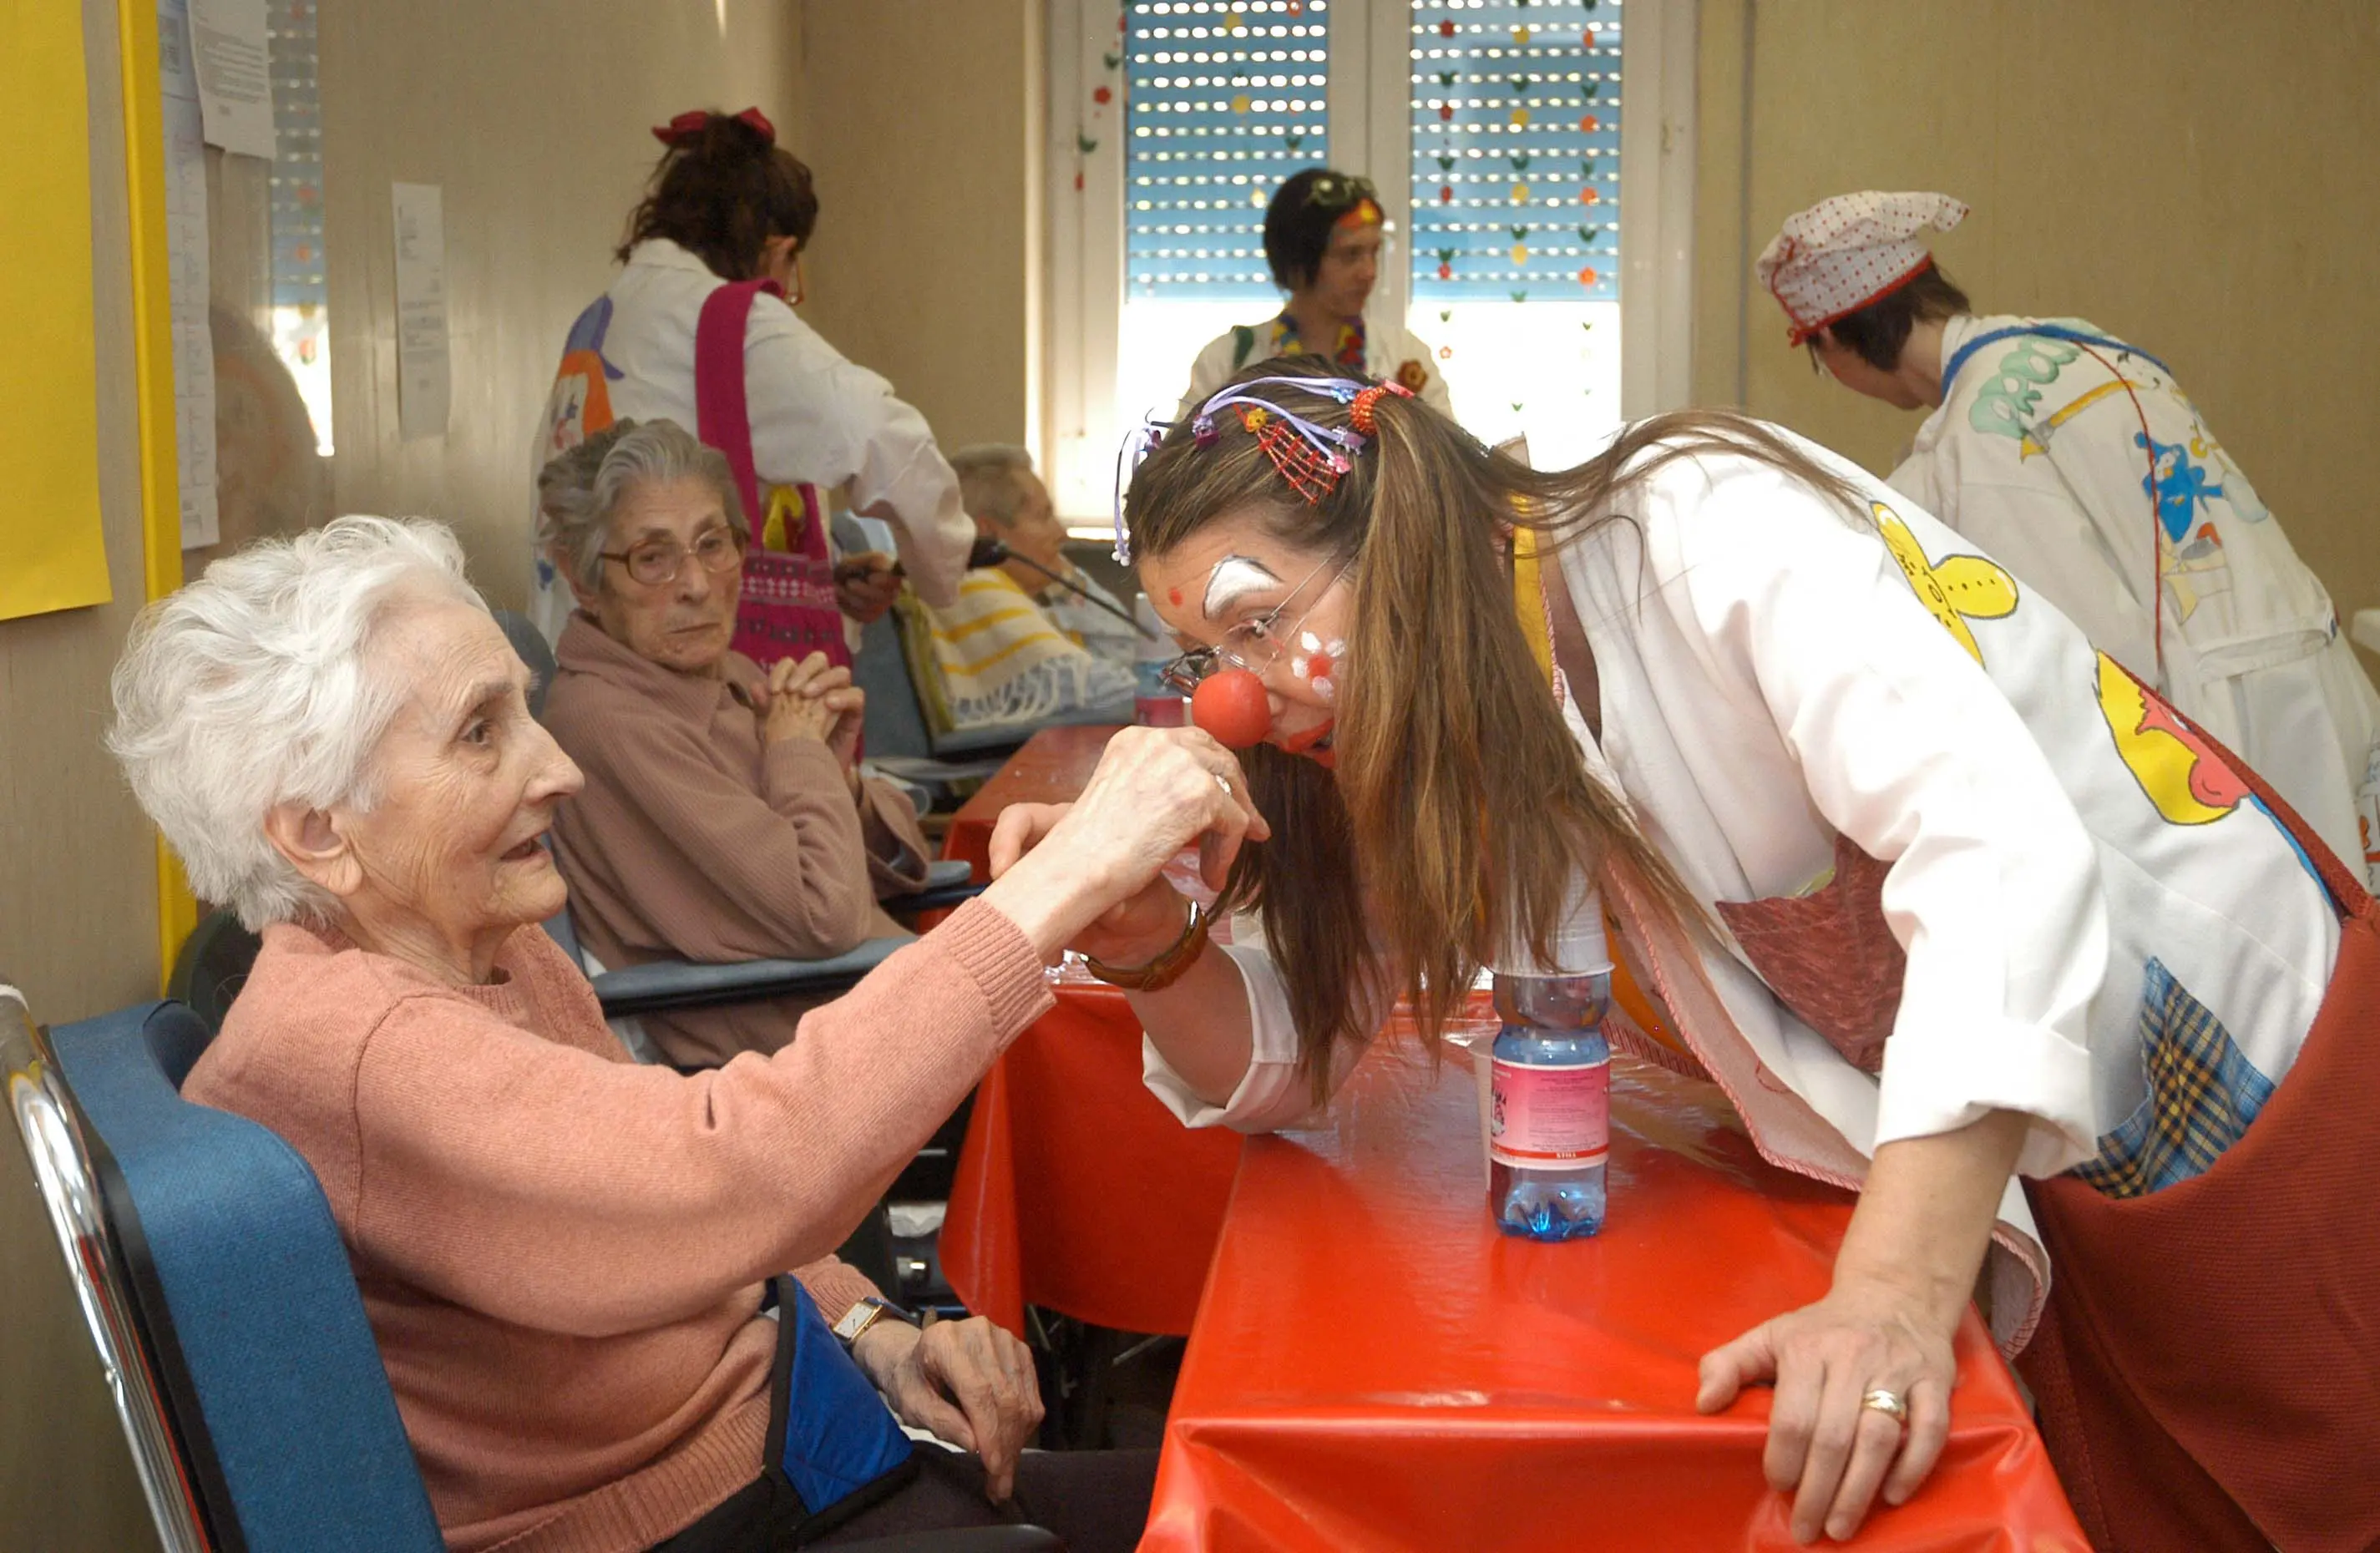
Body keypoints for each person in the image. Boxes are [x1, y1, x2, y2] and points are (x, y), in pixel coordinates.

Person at [990, 362, 2380, 1551]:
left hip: (2231, 1084)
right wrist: (1153, 948)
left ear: (1400, 528)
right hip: (2021, 1162)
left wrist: (1892, 1297)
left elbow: (2002, 862)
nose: (1236, 697)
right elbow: (1304, 1052)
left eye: (1259, 618)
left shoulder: (1701, 524)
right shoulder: (1472, 727)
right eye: (1208, 653)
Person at [109, 514, 1267, 1552]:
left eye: (525, 710)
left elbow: (682, 1223)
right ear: (317, 832)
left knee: (1263, 1501)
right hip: (724, 1522)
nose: (556, 768)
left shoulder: (479, 956)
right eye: (480, 735)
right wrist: (1069, 872)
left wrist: (870, 1328)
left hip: (808, 1452)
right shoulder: (355, 1051)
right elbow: (734, 1171)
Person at [1759, 189, 2380, 888]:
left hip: (2233, 728)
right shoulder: (2076, 343)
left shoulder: (1982, 442)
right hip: (2315, 682)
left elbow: (2084, 661)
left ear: (1835, 339)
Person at [534, 419, 932, 1067]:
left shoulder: (728, 676)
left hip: (876, 1014)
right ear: (583, 580)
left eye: (712, 544)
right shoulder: (609, 722)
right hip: (799, 1065)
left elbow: (903, 861)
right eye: (653, 558)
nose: (695, 584)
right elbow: (827, 913)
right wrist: (796, 754)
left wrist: (836, 776)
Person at [530, 107, 971, 649]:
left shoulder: (603, 318)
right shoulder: (729, 323)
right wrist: (941, 571)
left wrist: (821, 578)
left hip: (580, 657)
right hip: (663, 679)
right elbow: (885, 437)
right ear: (778, 249)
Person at [1177, 168, 1453, 420]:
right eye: (1350, 254)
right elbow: (1176, 468)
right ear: (1297, 265)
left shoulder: (1405, 358)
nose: (1369, 271)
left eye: (1374, 252)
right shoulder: (1227, 362)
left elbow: (1450, 465)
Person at [949, 443, 1140, 666]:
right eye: (1043, 516)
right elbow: (1121, 684)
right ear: (988, 534)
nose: (1061, 533)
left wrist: (1069, 580)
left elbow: (1131, 649)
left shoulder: (1047, 592)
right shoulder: (983, 618)